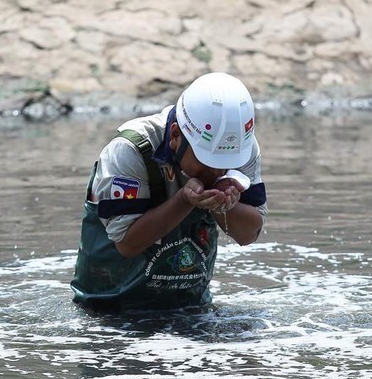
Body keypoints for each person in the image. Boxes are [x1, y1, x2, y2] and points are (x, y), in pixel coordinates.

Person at [70, 72, 267, 311]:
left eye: (226, 163)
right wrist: (185, 200)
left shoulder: (239, 147)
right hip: (110, 312)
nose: (218, 171)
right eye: (207, 161)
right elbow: (127, 245)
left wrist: (225, 205)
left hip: (190, 309)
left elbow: (248, 235)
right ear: (175, 135)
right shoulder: (130, 150)